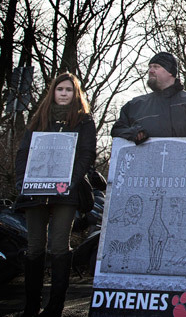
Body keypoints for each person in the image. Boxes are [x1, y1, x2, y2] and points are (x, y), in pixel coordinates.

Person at [14, 73, 97, 317]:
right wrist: (21, 180)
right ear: (53, 92)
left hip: (65, 192)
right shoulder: (40, 118)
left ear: (76, 94)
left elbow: (86, 154)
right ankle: (31, 305)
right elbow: (23, 153)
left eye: (69, 90)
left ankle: (55, 306)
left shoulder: (84, 121)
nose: (64, 93)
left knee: (60, 245)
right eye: (60, 89)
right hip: (35, 191)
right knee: (34, 247)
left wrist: (70, 181)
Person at [111, 51, 186, 141]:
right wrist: (133, 133)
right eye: (150, 67)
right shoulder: (135, 105)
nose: (151, 71)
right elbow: (117, 131)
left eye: (156, 67)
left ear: (170, 71)